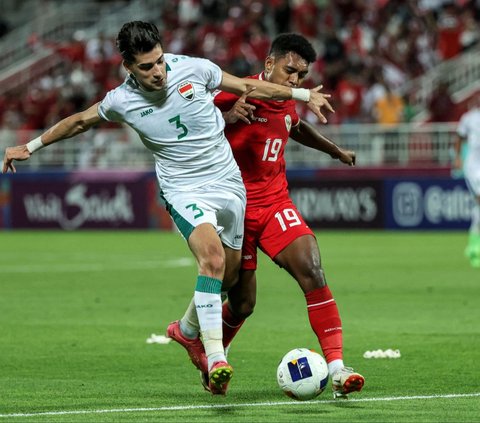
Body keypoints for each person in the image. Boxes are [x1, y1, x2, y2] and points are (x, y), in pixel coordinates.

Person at [2, 22, 334, 392]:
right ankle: (215, 356)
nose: (157, 72)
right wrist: (28, 148)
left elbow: (248, 86)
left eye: (159, 61)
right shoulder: (120, 101)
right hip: (183, 189)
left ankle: (187, 330)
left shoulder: (194, 69)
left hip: (228, 184)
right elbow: (79, 121)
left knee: (231, 274)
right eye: (146, 67)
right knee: (212, 259)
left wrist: (303, 96)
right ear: (128, 67)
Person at [167, 33, 365, 398]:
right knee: (242, 302)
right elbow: (185, 126)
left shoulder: (287, 101)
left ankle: (337, 368)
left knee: (313, 268)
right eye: (290, 70)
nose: (295, 81)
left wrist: (334, 150)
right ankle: (209, 353)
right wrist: (225, 117)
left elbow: (295, 125)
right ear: (269, 64)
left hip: (275, 203)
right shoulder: (234, 91)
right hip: (234, 207)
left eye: (302, 76)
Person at [453, 97, 480, 268]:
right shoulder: (469, 117)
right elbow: (459, 138)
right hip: (474, 167)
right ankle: (474, 248)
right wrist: (457, 158)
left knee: (478, 209)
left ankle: (473, 247)